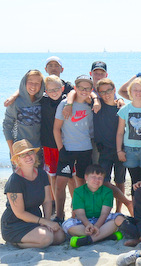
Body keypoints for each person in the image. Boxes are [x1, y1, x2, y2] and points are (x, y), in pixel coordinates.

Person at [1, 139, 65, 248]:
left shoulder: (42, 174)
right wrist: (45, 222)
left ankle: (38, 238)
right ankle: (16, 242)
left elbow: (47, 201)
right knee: (47, 238)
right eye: (23, 155)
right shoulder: (14, 181)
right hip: (15, 224)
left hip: (35, 219)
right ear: (17, 160)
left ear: (34, 154)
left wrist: (47, 220)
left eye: (30, 152)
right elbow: (20, 213)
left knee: (60, 236)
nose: (28, 156)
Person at [53, 74, 95, 223]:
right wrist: (61, 149)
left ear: (91, 89)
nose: (84, 91)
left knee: (81, 183)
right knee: (60, 184)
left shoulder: (91, 104)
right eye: (81, 88)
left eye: (87, 88)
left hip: (85, 149)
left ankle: (77, 214)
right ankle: (59, 215)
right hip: (67, 150)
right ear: (75, 88)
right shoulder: (65, 104)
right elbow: (56, 129)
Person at [93, 78, 132, 215]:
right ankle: (127, 202)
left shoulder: (121, 107)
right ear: (98, 93)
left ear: (114, 90)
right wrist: (96, 100)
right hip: (104, 150)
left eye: (109, 90)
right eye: (102, 92)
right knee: (103, 181)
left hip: (121, 149)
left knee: (120, 180)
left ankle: (118, 210)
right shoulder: (96, 106)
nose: (106, 94)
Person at [61, 164, 123, 247]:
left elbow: (105, 213)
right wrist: (88, 225)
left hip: (102, 221)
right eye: (93, 177)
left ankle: (89, 239)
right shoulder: (78, 191)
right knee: (67, 225)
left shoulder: (107, 192)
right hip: (84, 222)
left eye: (100, 178)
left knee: (119, 219)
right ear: (86, 177)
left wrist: (97, 226)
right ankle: (106, 236)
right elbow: (80, 214)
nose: (96, 180)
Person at [40, 75, 72, 208]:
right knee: (52, 176)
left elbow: (75, 92)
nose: (54, 92)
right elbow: (25, 91)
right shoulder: (42, 100)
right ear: (45, 91)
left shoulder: (67, 101)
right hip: (49, 145)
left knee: (70, 176)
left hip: (66, 145)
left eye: (57, 89)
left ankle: (74, 206)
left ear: (63, 88)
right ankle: (56, 205)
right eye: (50, 90)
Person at [3, 70, 45, 163]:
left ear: (41, 85)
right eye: (30, 82)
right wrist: (12, 151)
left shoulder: (43, 100)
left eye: (37, 83)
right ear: (24, 82)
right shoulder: (15, 103)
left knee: (38, 177)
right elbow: (7, 127)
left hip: (38, 150)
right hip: (20, 151)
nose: (33, 86)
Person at [3, 56, 73, 107]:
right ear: (46, 69)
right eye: (50, 66)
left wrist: (69, 104)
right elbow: (27, 88)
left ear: (62, 69)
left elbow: (75, 91)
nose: (53, 68)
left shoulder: (66, 86)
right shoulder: (42, 85)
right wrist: (13, 96)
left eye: (57, 66)